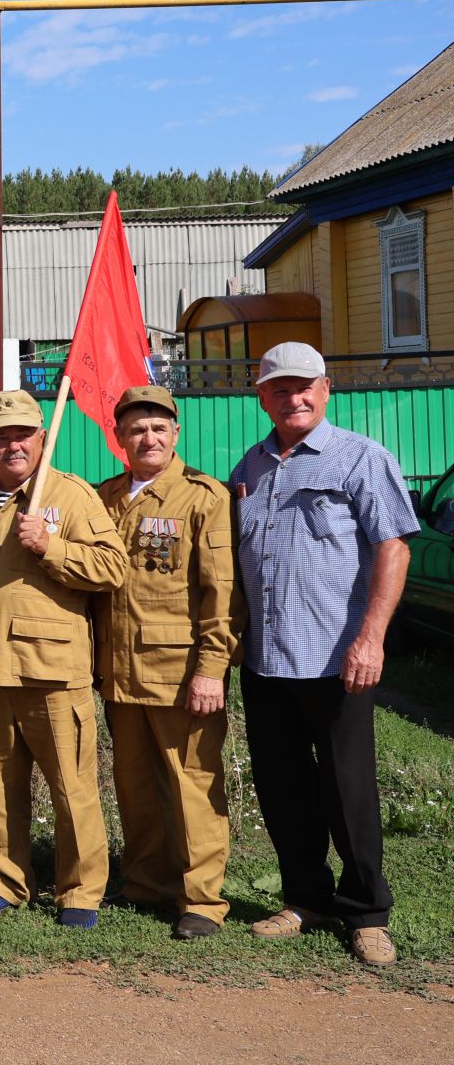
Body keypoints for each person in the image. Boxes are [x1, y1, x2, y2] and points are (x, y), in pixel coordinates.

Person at [231, 342, 416, 966]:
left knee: (349, 791)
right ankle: (306, 898)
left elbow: (393, 548)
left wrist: (372, 637)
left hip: (338, 660)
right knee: (282, 787)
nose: (295, 398)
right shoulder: (250, 467)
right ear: (262, 398)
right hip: (265, 660)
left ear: (327, 389)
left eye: (305, 386)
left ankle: (366, 912)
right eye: (281, 389)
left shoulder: (360, 457)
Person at [0, 389, 127, 928]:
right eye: (0, 436)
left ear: (41, 437)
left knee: (71, 787)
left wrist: (51, 546)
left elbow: (111, 567)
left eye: (22, 434)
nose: (12, 445)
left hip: (51, 672)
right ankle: (8, 882)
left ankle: (79, 892)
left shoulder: (70, 495)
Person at [94, 385, 243, 940]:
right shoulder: (105, 498)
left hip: (181, 674)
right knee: (133, 785)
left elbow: (221, 592)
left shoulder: (204, 498)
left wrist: (211, 668)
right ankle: (147, 882)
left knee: (193, 785)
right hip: (119, 671)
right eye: (136, 429)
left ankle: (201, 899)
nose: (148, 438)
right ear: (120, 439)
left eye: (159, 427)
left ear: (176, 433)